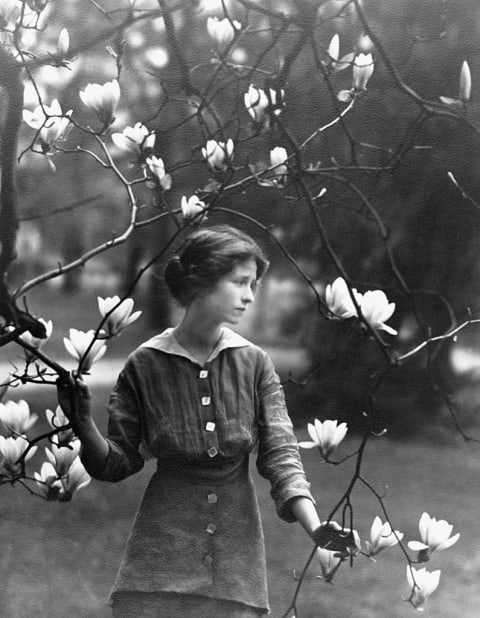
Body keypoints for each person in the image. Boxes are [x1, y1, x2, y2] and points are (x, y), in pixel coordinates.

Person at [57, 224, 354, 617]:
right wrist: (82, 424)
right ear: (201, 281)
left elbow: (283, 458)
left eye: (254, 285)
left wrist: (315, 529)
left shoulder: (254, 364)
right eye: (240, 282)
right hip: (158, 564)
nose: (249, 296)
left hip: (236, 568)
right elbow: (115, 463)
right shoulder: (145, 364)